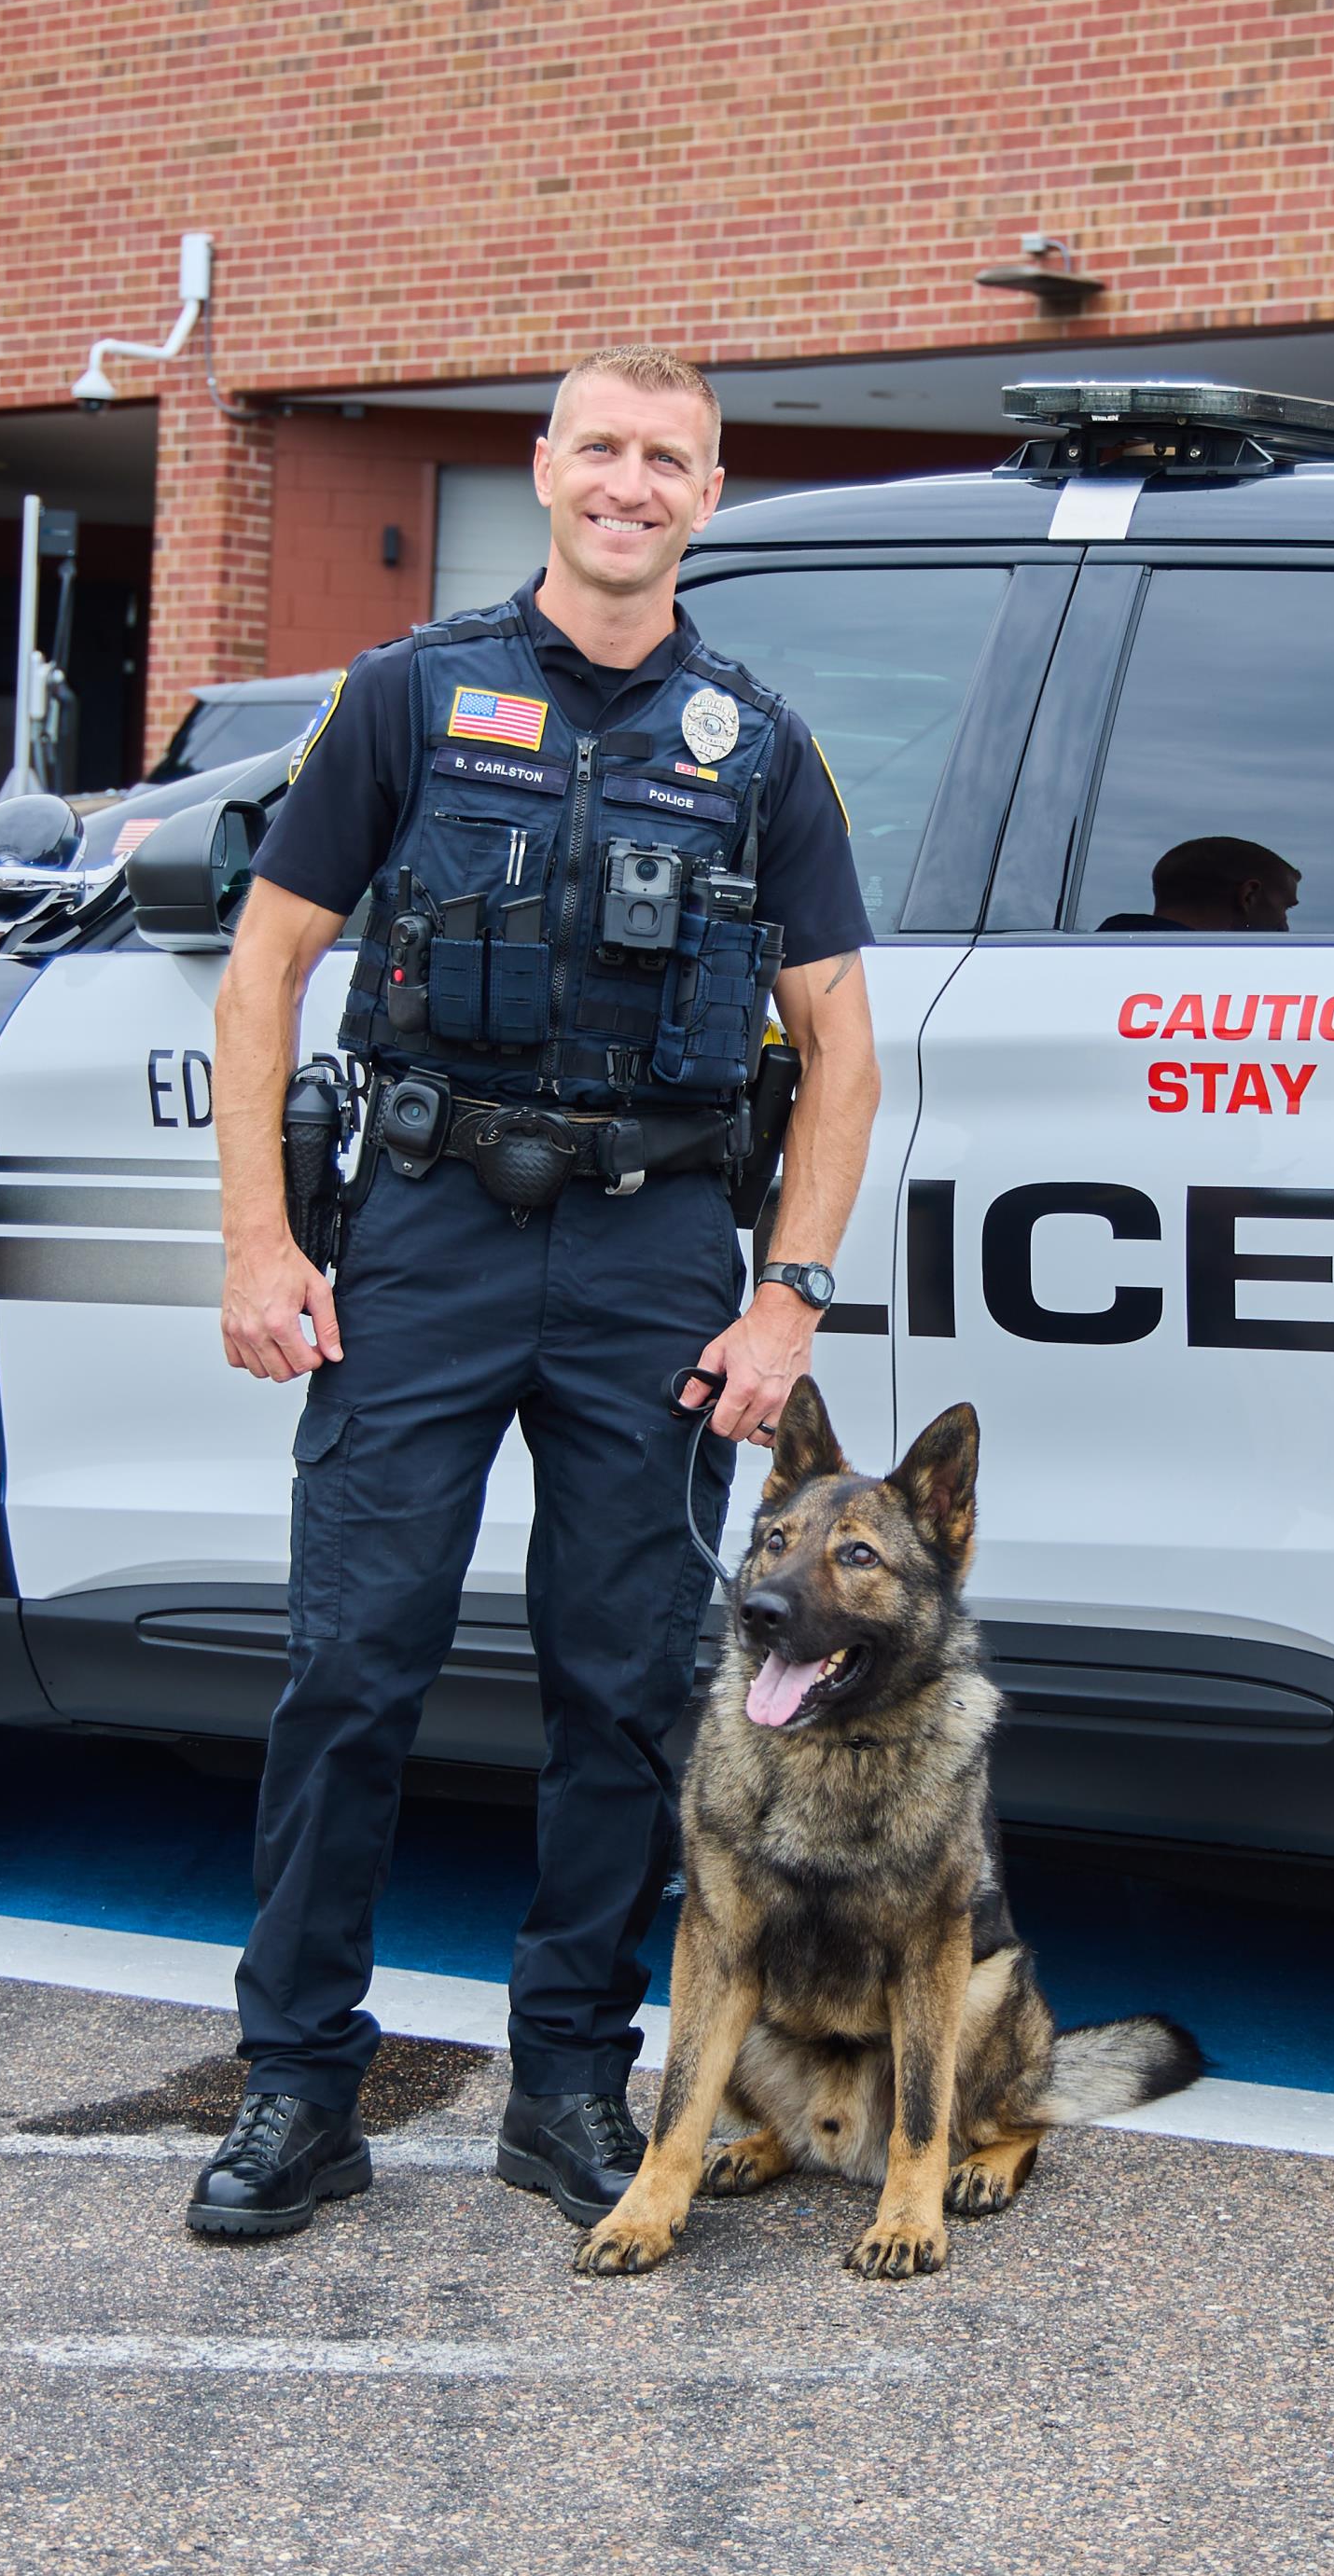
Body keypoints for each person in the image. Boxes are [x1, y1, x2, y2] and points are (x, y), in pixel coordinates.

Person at [187, 345, 881, 2241]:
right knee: (353, 1660)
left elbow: (841, 1044)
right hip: (425, 1230)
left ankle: (569, 2079)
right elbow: (262, 972)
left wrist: (788, 1301)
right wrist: (260, 1239)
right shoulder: (409, 695)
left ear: (710, 494)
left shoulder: (759, 742)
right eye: (604, 448)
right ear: (545, 465)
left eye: (669, 457)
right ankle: (297, 2084)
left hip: (656, 1253)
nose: (631, 483)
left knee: (629, 1682)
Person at [1097, 834, 1299, 933]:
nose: (1285, 926)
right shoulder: (1227, 982)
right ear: (1249, 896)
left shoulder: (1091, 959)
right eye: (1285, 908)